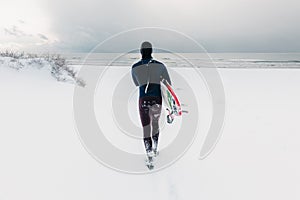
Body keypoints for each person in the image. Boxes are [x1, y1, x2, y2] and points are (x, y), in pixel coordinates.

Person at [131, 41, 171, 161]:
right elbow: (168, 84)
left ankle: (149, 155)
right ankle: (155, 148)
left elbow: (137, 83)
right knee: (155, 125)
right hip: (156, 99)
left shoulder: (135, 67)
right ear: (152, 51)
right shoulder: (160, 66)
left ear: (141, 52)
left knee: (146, 128)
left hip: (143, 100)